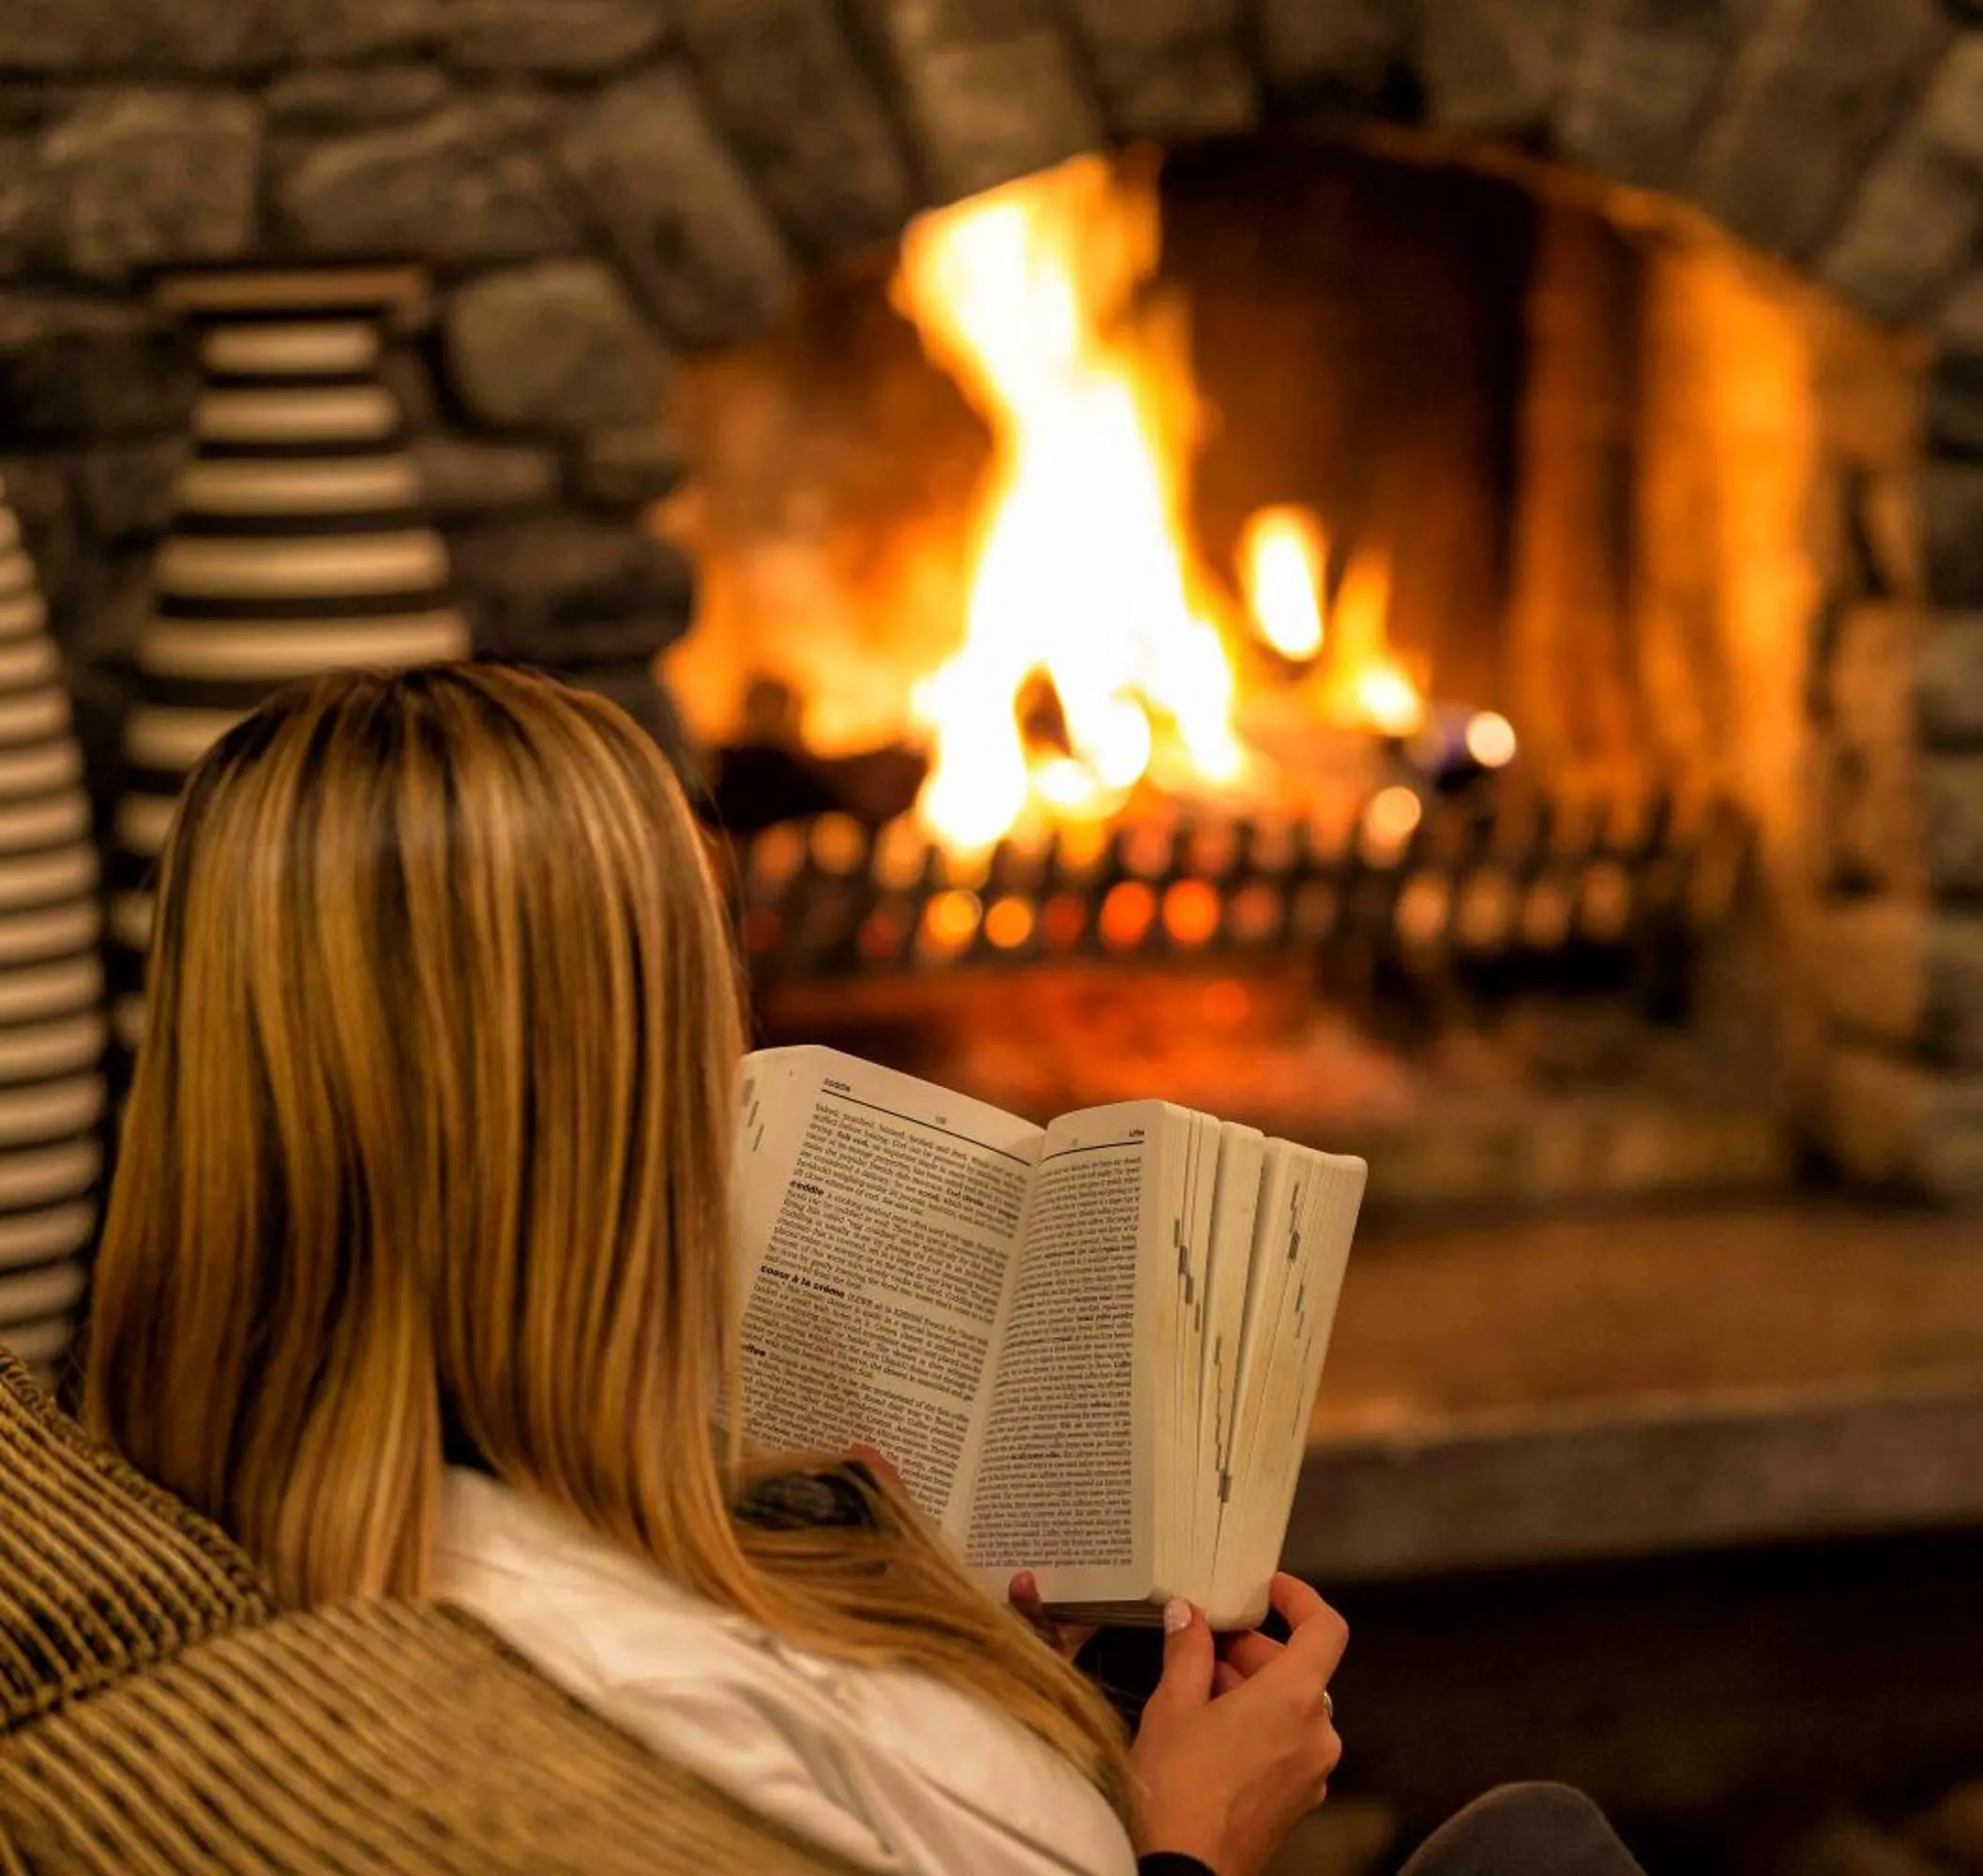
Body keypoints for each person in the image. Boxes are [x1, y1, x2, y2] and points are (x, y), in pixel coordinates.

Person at [81, 663, 1341, 1876]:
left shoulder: (294, 1518)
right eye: (697, 1014)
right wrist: (1193, 1839)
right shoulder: (617, 1703)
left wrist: (960, 1654)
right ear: (602, 1119)